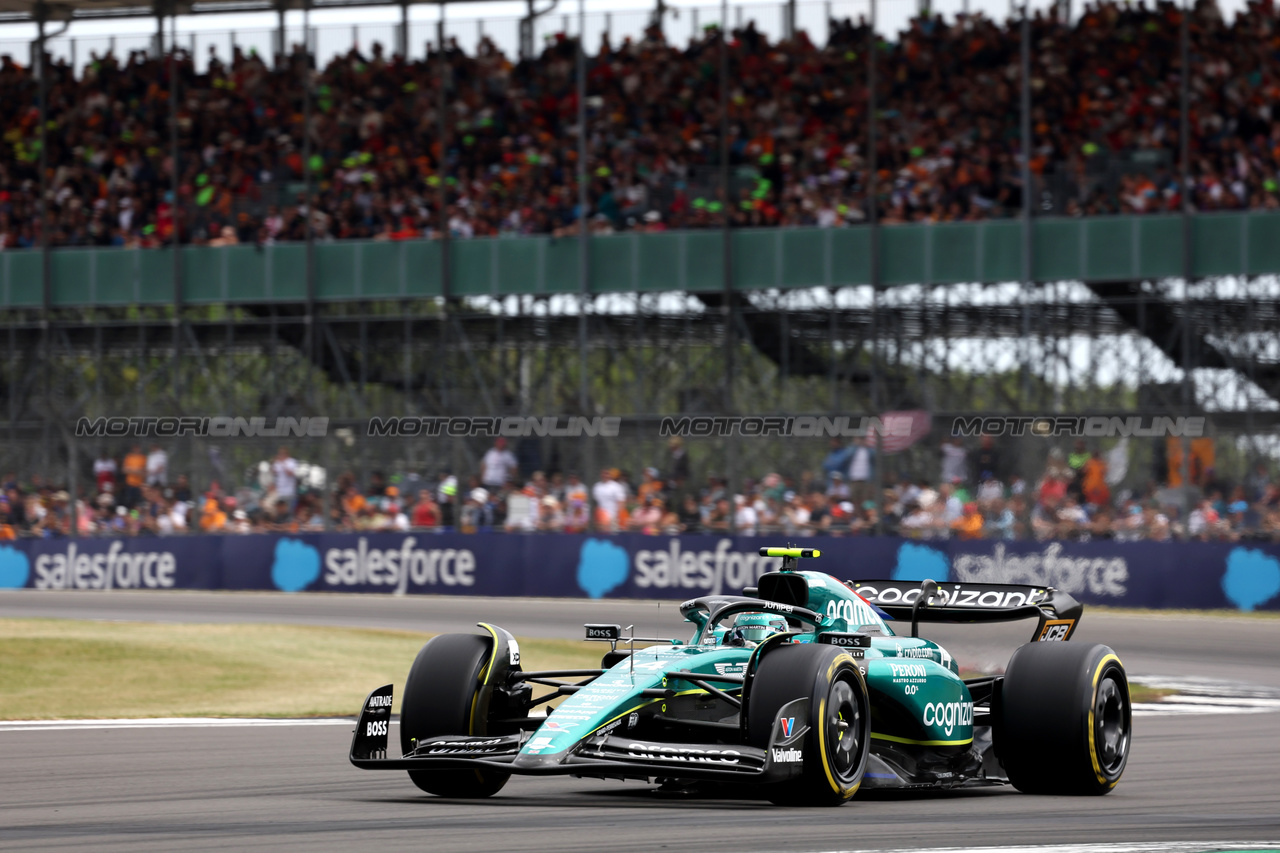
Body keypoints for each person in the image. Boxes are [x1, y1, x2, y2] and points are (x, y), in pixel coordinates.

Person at [591, 468, 627, 532]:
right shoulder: (596, 487)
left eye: (607, 473)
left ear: (610, 475)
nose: (605, 475)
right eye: (603, 473)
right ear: (600, 475)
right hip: (600, 519)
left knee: (613, 537)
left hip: (613, 518)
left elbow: (621, 503)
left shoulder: (616, 486)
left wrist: (617, 517)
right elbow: (595, 504)